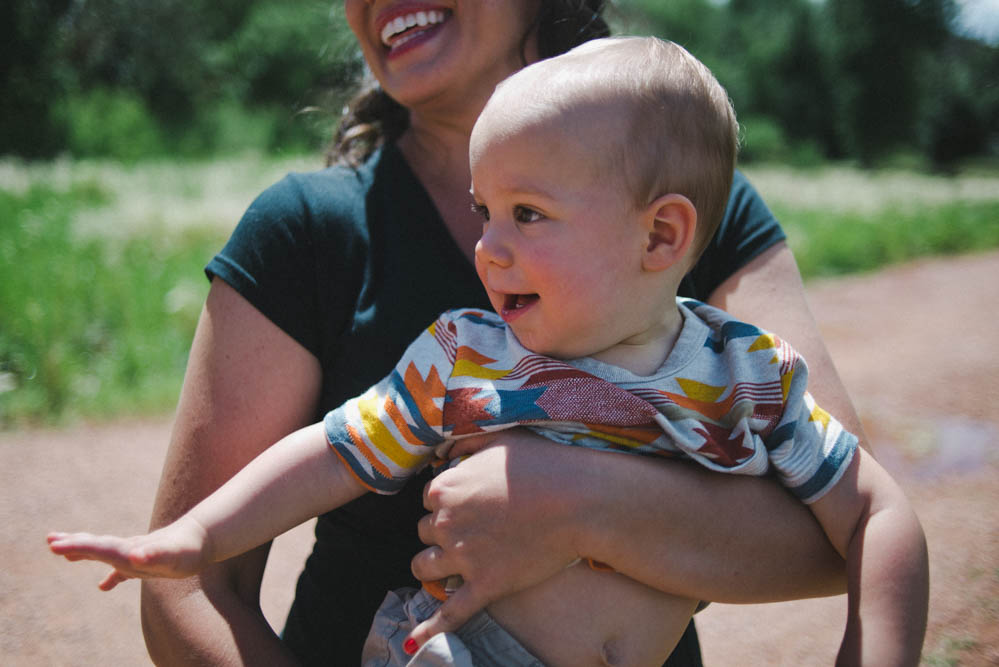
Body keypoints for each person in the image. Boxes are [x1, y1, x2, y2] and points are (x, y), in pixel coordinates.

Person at [50, 37, 928, 667]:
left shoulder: (747, 375)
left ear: (661, 236)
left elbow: (873, 519)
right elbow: (333, 450)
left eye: (527, 215)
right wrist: (197, 532)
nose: (489, 249)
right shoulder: (467, 357)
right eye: (483, 212)